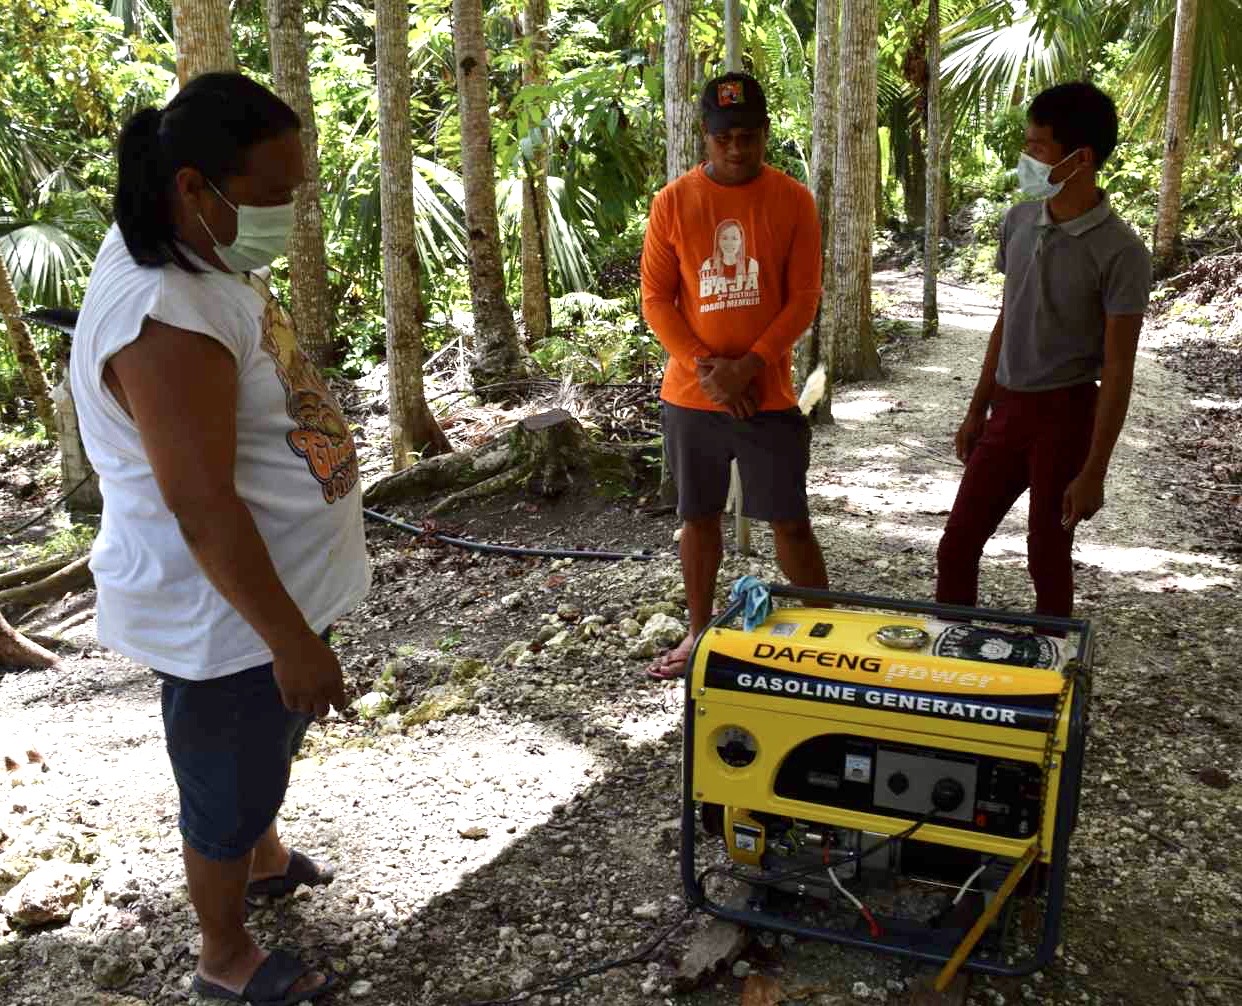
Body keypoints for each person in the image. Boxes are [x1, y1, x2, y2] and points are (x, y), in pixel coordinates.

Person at [70, 73, 370, 1005]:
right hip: (229, 619)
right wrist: (287, 639)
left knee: (261, 751)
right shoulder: (165, 318)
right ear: (196, 187)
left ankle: (264, 854)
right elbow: (201, 506)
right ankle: (225, 957)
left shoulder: (191, 248)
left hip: (266, 600)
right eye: (273, 196)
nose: (287, 213)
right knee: (225, 779)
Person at [936, 81, 1151, 618]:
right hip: (1008, 410)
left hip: (1066, 415)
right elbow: (1007, 319)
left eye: (1038, 147)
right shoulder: (1019, 221)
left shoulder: (1122, 252)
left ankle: (1054, 675)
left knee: (1046, 554)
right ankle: (948, 667)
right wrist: (976, 409)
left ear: (1081, 158)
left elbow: (1119, 368)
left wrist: (1095, 469)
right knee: (957, 544)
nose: (1026, 158)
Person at [640, 71, 828, 680]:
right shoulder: (673, 203)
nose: (737, 148)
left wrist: (750, 367)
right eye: (725, 138)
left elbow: (803, 298)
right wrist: (708, 369)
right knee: (698, 517)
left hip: (767, 393)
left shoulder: (793, 200)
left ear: (766, 134)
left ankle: (825, 633)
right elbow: (657, 300)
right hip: (692, 397)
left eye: (748, 136)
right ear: (706, 136)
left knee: (790, 520)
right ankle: (698, 633)